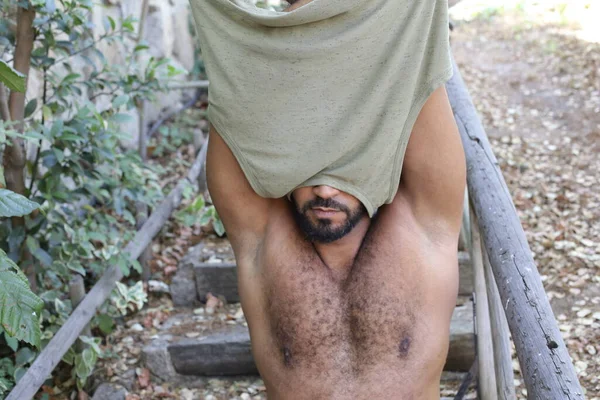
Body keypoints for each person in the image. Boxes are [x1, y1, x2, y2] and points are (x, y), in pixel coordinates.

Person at [192, 0, 466, 398]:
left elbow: (414, 64)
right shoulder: (263, 240)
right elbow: (235, 102)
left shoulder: (421, 224)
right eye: (308, 174)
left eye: (342, 172)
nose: (323, 191)